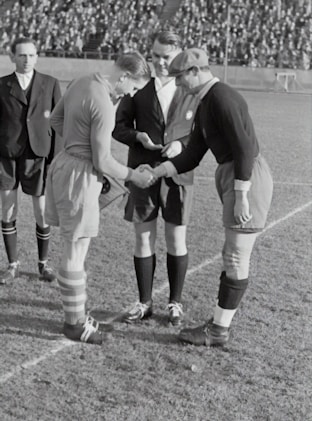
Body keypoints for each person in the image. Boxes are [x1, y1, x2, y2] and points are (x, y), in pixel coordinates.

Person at [149, 48, 273, 346]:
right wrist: (158, 171)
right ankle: (218, 325)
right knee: (232, 254)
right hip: (234, 175)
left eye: (180, 77)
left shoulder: (221, 97)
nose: (177, 84)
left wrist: (242, 194)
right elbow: (193, 153)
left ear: (195, 71)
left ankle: (218, 330)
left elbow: (244, 147)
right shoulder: (206, 102)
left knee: (235, 254)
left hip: (246, 177)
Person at [45, 51, 153, 345]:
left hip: (67, 165)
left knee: (76, 245)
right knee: (75, 249)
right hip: (80, 174)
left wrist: (75, 143)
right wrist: (133, 175)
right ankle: (74, 323)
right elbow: (103, 161)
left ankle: (78, 314)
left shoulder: (82, 80)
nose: (130, 94)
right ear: (124, 77)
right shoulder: (104, 102)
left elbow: (56, 120)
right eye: (132, 88)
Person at [112, 31, 202, 326]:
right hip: (143, 174)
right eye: (155, 56)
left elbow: (203, 131)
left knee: (176, 239)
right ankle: (144, 302)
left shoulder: (189, 88)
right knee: (144, 238)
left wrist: (182, 144)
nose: (161, 62)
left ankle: (175, 302)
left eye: (167, 56)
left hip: (178, 174)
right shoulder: (139, 88)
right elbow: (119, 128)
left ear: (178, 54)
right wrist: (138, 135)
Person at [0, 37, 62, 285]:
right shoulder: (2, 85)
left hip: (39, 156)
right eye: (22, 55)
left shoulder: (50, 83)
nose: (27, 60)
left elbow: (58, 123)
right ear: (12, 57)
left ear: (37, 57)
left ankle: (43, 264)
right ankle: (12, 264)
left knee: (41, 212)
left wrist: (55, 158)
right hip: (7, 155)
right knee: (8, 209)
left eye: (31, 55)